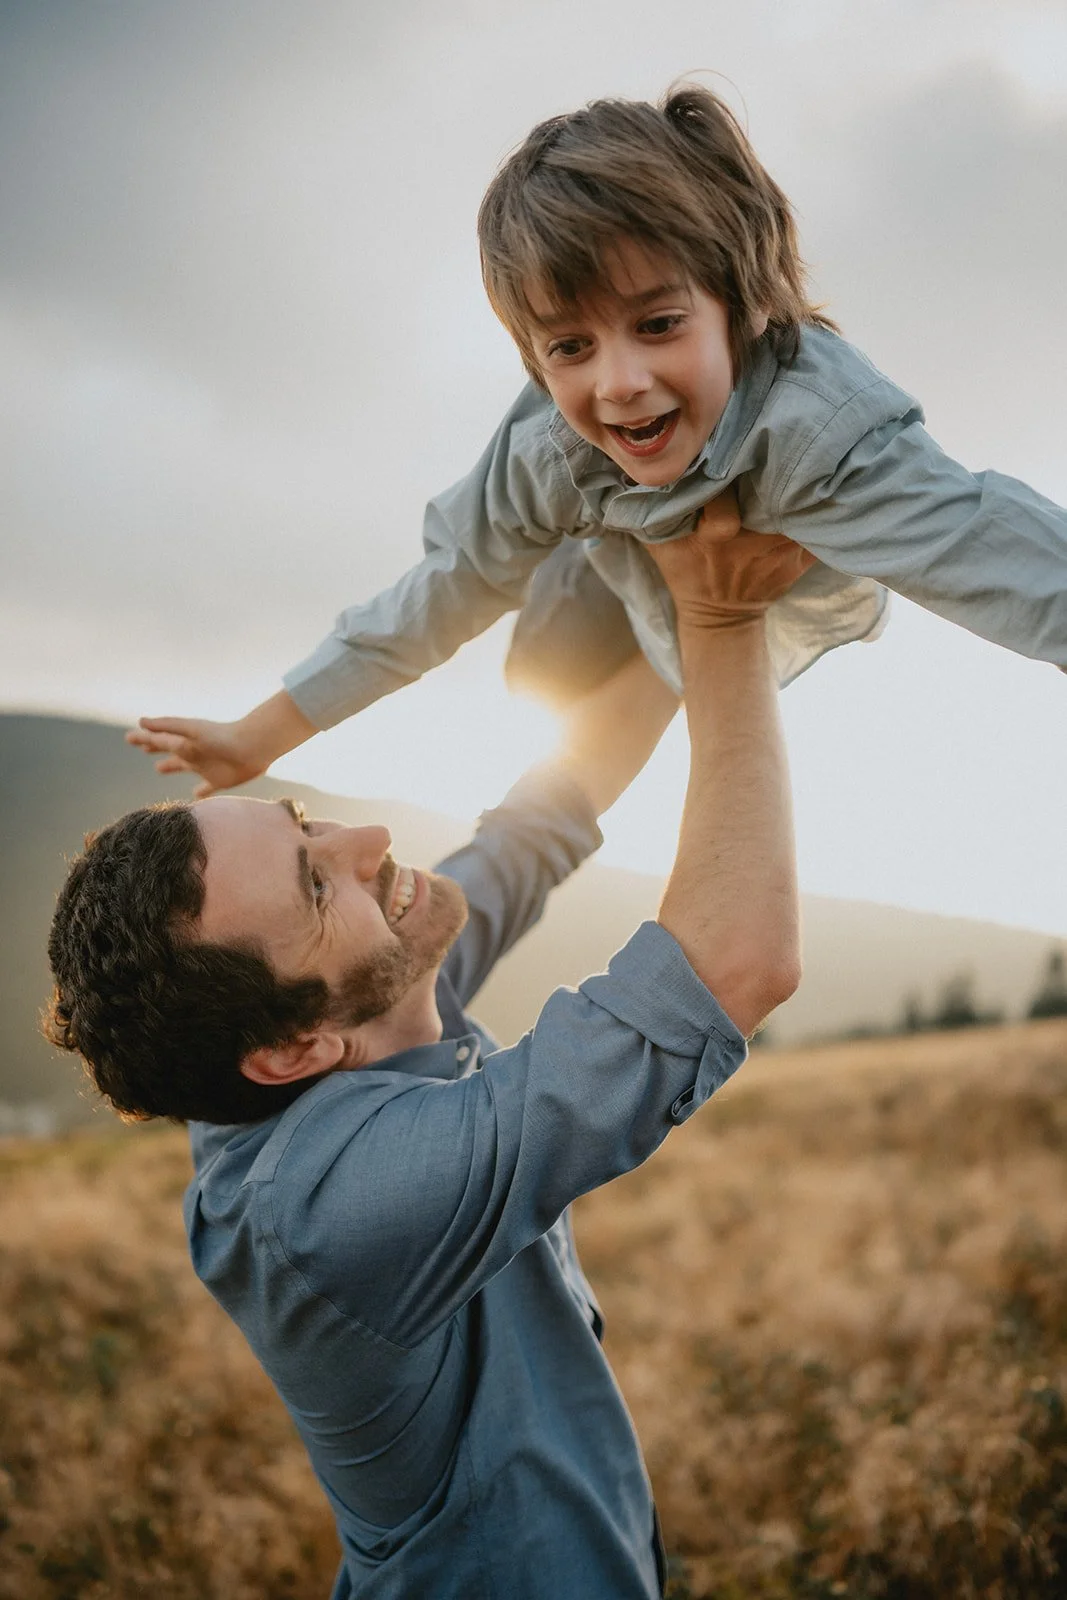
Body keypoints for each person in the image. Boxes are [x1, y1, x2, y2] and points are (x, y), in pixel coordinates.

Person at [46, 509, 810, 1598]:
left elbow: (545, 815)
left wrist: (693, 586)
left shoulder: (356, 987)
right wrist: (724, 617)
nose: (366, 845)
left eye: (305, 822)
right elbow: (735, 963)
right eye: (318, 884)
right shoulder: (332, 1208)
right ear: (295, 1045)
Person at [125, 82, 1065, 801]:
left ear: (738, 304)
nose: (615, 381)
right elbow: (442, 588)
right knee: (539, 672)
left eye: (657, 325)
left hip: (745, 567)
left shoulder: (826, 440)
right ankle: (582, 581)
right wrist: (264, 732)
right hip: (604, 541)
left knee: (637, 626)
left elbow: (992, 547)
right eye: (569, 347)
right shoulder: (550, 446)